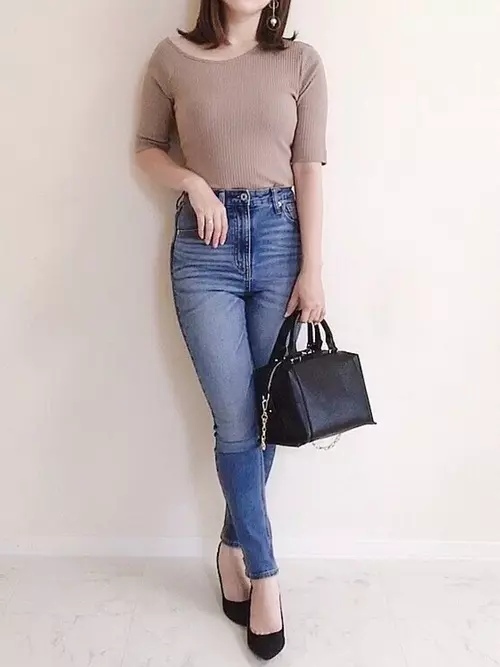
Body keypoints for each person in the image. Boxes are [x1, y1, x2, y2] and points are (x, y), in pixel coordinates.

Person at [135, 0, 328, 659]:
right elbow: (146, 149)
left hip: (280, 243)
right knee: (237, 418)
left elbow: (309, 171)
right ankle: (265, 575)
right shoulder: (171, 59)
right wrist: (192, 181)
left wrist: (313, 270)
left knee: (264, 417)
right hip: (204, 249)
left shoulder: (301, 63)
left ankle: (230, 548)